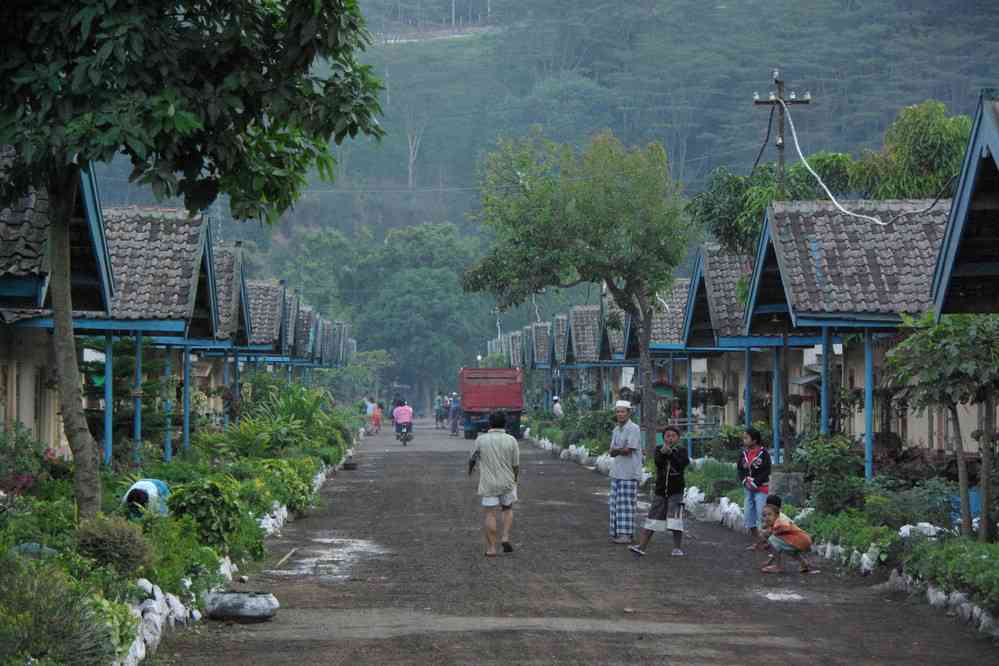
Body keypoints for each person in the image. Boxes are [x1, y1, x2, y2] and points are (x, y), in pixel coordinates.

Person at [630, 425, 689, 557]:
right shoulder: (658, 449)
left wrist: (671, 454)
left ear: (678, 438)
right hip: (660, 491)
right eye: (667, 436)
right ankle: (641, 546)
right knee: (653, 518)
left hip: (676, 492)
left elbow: (682, 464)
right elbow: (658, 463)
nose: (670, 438)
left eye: (673, 436)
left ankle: (677, 548)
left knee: (675, 520)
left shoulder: (682, 451)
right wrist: (663, 453)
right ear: (663, 438)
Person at [468, 411, 520, 557]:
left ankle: (491, 548)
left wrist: (470, 470)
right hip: (507, 481)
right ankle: (505, 537)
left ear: (489, 423)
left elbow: (472, 458)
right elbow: (516, 465)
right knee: (507, 508)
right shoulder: (511, 440)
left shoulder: (481, 440)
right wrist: (515, 479)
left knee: (490, 513)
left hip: (488, 483)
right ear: (505, 423)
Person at [608, 399, 643, 544]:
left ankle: (626, 535)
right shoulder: (616, 429)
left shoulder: (634, 428)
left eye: (622, 411)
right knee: (615, 504)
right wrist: (619, 450)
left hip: (629, 473)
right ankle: (619, 533)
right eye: (618, 412)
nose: (620, 414)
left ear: (629, 413)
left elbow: (628, 450)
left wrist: (617, 450)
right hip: (617, 472)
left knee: (626, 505)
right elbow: (611, 451)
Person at [760, 495, 817, 574]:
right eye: (764, 515)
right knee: (787, 548)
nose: (766, 518)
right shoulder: (777, 519)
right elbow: (778, 547)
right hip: (802, 541)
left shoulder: (779, 522)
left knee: (772, 539)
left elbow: (774, 540)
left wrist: (768, 532)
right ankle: (804, 564)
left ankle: (778, 567)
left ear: (776, 513)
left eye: (769, 514)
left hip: (801, 540)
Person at [737, 426, 772, 549]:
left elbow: (767, 470)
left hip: (761, 489)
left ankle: (767, 541)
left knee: (762, 514)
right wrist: (744, 481)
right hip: (748, 490)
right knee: (748, 515)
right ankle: (758, 541)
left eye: (746, 438)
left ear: (754, 440)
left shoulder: (763, 454)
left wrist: (755, 483)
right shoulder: (743, 454)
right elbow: (740, 470)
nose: (744, 440)